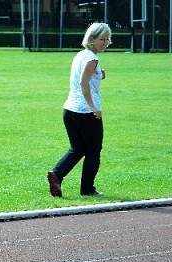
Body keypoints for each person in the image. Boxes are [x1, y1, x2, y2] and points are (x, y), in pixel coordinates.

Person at [47, 22, 111, 198]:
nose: (105, 43)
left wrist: (100, 74)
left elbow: (84, 77)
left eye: (107, 39)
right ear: (91, 39)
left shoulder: (81, 55)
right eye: (102, 39)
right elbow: (84, 83)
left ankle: (57, 174)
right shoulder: (92, 59)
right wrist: (94, 108)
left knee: (78, 149)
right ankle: (87, 189)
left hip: (69, 110)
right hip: (85, 112)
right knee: (94, 151)